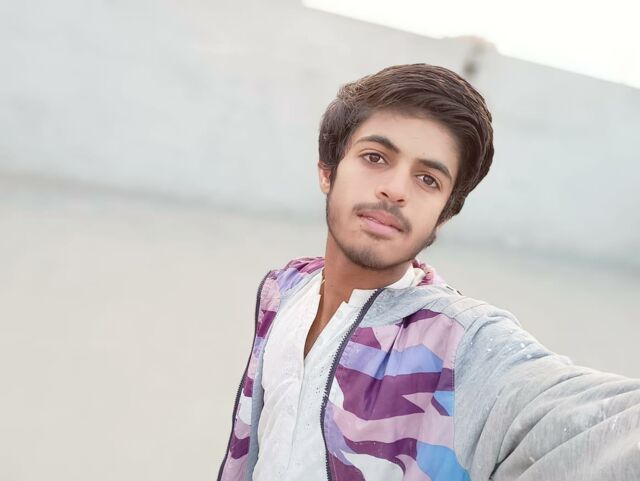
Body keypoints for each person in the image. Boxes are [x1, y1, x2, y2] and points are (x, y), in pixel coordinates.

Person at [217, 64, 640, 481]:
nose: (396, 190)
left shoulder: (463, 345)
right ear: (327, 171)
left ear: (444, 215)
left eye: (427, 179)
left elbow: (587, 417)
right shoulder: (286, 290)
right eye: (375, 157)